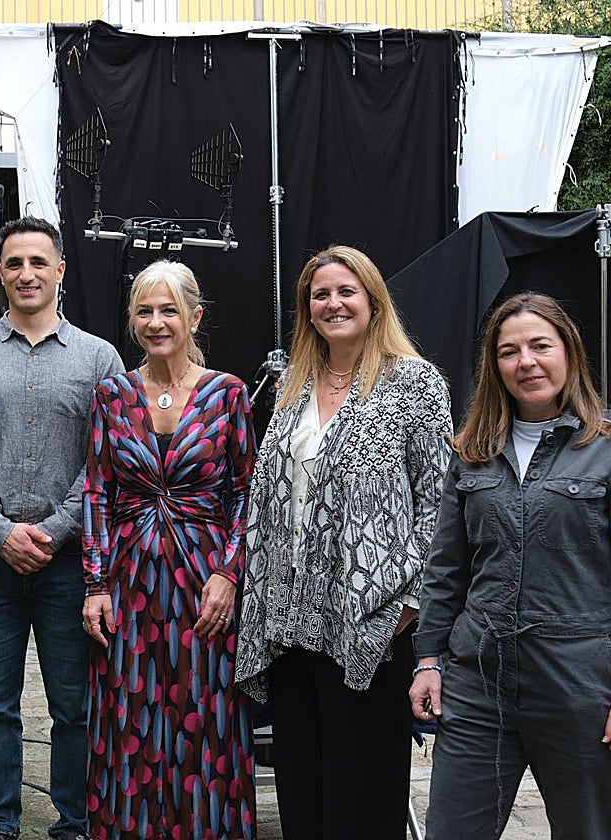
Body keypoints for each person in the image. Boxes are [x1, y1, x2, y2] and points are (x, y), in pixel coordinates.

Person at [236, 245, 452, 840]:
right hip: (289, 627)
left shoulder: (415, 385)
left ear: (373, 299)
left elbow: (439, 508)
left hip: (369, 626)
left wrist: (408, 608)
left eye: (346, 291)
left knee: (363, 803)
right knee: (303, 799)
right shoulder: (292, 386)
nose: (333, 303)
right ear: (307, 310)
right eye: (321, 294)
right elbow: (269, 499)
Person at [0, 217, 123, 840]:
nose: (26, 274)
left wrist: (53, 529)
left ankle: (75, 823)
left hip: (71, 563)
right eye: (14, 263)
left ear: (60, 270)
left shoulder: (100, 358)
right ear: (0, 271)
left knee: (74, 707)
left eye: (38, 262)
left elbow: (106, 459)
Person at [410, 292, 611, 839]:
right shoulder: (473, 451)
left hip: (579, 685)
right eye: (509, 351)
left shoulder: (605, 449)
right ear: (494, 366)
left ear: (569, 352)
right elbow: (447, 567)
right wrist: (428, 659)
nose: (526, 362)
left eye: (540, 346)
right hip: (480, 682)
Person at [82, 261, 257, 839]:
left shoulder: (226, 393)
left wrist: (230, 575)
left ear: (194, 317)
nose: (157, 323)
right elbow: (98, 491)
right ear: (132, 321)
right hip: (129, 586)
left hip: (205, 587)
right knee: (129, 714)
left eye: (169, 310)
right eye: (145, 311)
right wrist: (96, 584)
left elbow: (246, 494)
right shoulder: (113, 393)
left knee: (203, 717)